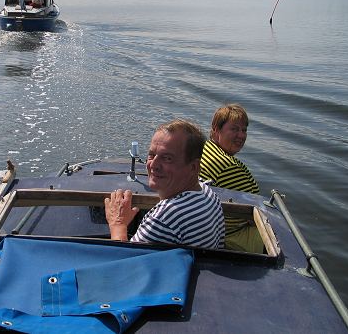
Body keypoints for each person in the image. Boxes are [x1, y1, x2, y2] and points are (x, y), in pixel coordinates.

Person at [104, 119, 225, 249]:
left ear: (193, 167)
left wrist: (118, 225)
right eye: (152, 155)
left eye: (167, 158)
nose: (153, 165)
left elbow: (126, 262)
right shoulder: (209, 194)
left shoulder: (166, 218)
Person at [200, 103, 263, 253]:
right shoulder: (229, 166)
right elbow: (257, 209)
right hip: (228, 236)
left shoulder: (205, 148)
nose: (241, 135)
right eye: (234, 129)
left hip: (207, 225)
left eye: (244, 130)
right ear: (216, 129)